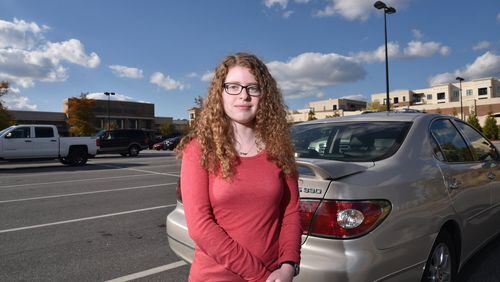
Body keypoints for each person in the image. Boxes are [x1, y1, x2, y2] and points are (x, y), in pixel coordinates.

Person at [176, 52, 301, 282]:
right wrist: (260, 276)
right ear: (220, 94)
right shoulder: (199, 150)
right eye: (233, 86)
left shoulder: (279, 148)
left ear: (264, 95)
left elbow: (291, 212)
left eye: (253, 88)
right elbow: (200, 227)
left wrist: (289, 265)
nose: (244, 95)